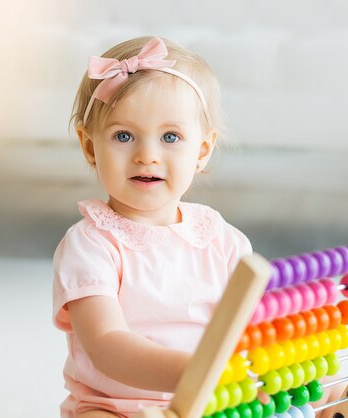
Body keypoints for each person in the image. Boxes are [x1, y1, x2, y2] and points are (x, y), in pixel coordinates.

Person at [52, 36, 252, 418]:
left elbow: (252, 327)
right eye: (123, 136)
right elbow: (106, 344)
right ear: (91, 147)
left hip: (211, 401)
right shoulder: (91, 245)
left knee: (326, 400)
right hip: (113, 406)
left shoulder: (221, 238)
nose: (147, 155)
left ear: (202, 151)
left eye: (170, 137)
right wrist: (189, 373)